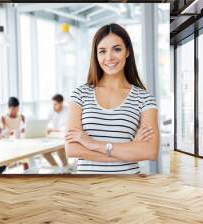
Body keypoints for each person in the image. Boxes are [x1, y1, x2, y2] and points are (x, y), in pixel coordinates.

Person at [65, 23, 159, 174]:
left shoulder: (144, 99)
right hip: (88, 190)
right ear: (96, 55)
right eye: (102, 51)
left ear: (127, 51)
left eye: (117, 49)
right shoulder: (80, 94)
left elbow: (150, 151)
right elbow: (72, 149)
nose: (109, 57)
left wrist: (92, 144)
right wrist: (130, 149)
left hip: (128, 189)